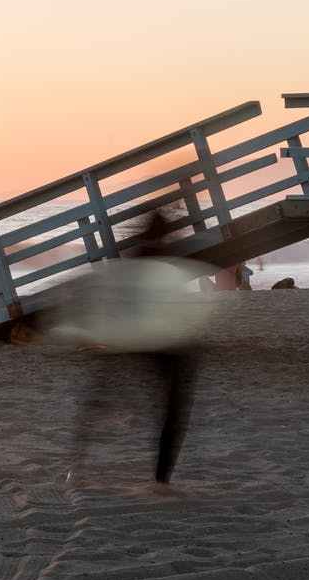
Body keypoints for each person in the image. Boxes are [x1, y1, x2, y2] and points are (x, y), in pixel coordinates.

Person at [55, 210, 209, 492]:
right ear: (167, 233)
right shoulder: (166, 262)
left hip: (127, 338)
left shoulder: (133, 259)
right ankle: (161, 480)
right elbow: (177, 306)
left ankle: (76, 466)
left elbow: (111, 297)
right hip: (163, 342)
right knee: (173, 410)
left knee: (99, 399)